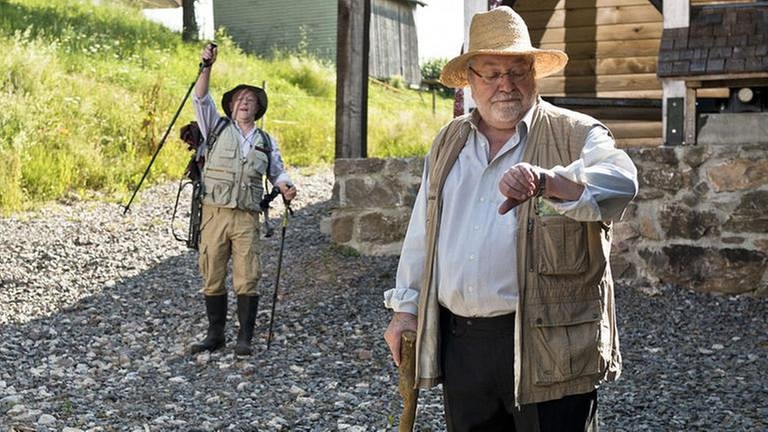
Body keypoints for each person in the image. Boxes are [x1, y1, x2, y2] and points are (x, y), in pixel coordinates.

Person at [383, 6, 638, 431]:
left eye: (518, 71)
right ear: (471, 81)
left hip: (551, 341)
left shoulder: (578, 133)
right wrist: (405, 309)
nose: (506, 85)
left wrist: (550, 181)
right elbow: (422, 234)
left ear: (534, 74)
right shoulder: (448, 141)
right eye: (492, 73)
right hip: (462, 344)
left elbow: (621, 183)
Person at [189, 44, 297, 356]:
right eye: (239, 99)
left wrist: (286, 186)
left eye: (250, 100)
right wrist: (206, 66)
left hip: (247, 215)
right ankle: (215, 335)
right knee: (211, 272)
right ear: (230, 105)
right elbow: (200, 97)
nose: (244, 103)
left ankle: (245, 338)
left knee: (248, 275)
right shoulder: (216, 126)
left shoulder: (265, 140)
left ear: (257, 109)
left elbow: (278, 171)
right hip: (214, 213)